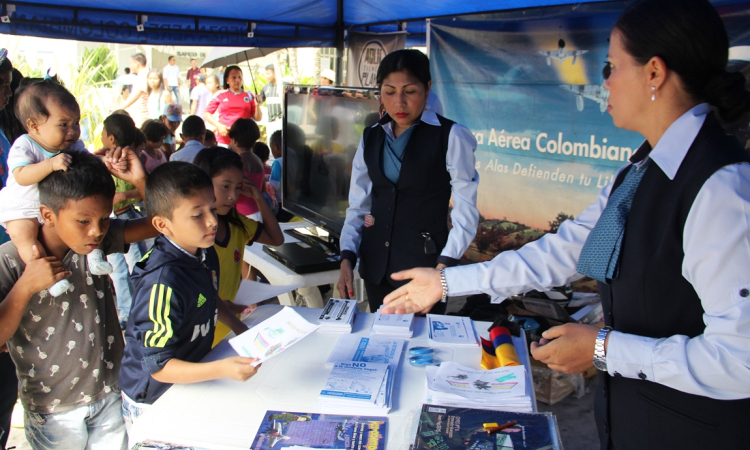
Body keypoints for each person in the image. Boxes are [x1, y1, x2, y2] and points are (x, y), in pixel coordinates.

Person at [382, 1, 750, 448]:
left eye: (612, 67)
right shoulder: (638, 171)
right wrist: (446, 282)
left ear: (654, 73)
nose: (604, 82)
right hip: (633, 421)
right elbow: (564, 250)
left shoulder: (721, 187)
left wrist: (602, 348)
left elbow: (740, 359)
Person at [0, 147, 157, 450]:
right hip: (52, 412)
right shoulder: (11, 262)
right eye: (83, 221)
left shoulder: (97, 244)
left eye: (104, 219)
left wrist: (140, 180)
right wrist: (25, 287)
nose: (96, 231)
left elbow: (161, 222)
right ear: (47, 215)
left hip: (111, 395)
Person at [118, 162, 258, 440]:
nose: (212, 221)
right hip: (154, 400)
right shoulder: (162, 282)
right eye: (197, 215)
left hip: (190, 382)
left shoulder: (203, 251)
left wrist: (244, 331)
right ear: (162, 224)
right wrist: (222, 368)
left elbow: (209, 298)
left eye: (213, 210)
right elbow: (157, 366)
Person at [335, 49, 480, 312]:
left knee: (420, 346)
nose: (399, 103)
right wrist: (347, 256)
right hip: (376, 265)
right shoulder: (371, 136)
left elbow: (466, 211)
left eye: (410, 91)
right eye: (389, 92)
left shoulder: (450, 136)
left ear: (427, 88)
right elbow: (358, 206)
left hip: (425, 270)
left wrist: (443, 268)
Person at [0, 80, 114, 298]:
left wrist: (104, 162)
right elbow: (21, 176)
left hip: (55, 206)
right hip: (22, 207)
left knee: (91, 230)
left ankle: (95, 258)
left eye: (76, 123)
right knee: (27, 241)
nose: (72, 131)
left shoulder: (73, 146)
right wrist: (50, 164)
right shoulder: (25, 145)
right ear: (34, 125)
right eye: (63, 124)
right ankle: (45, 274)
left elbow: (87, 162)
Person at [193, 147, 283, 345]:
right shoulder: (192, 234)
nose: (233, 196)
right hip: (202, 334)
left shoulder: (238, 225)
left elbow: (277, 239)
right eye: (225, 186)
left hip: (230, 333)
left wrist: (259, 197)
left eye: (238, 187)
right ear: (203, 184)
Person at [100, 113, 145, 329]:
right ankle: (127, 311)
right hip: (111, 218)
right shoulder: (102, 160)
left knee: (133, 263)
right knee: (119, 267)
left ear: (110, 138)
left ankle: (136, 307)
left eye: (102, 132)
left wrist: (123, 196)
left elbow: (138, 191)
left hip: (124, 216)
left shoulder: (127, 160)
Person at [204, 65, 262, 147]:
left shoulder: (249, 95)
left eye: (239, 77)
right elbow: (207, 113)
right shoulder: (220, 95)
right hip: (224, 140)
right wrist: (219, 126)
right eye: (233, 77)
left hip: (244, 141)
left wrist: (257, 105)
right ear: (227, 80)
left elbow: (258, 118)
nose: (237, 80)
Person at [227, 118, 265, 221]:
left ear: (234, 140)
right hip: (258, 210)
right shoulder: (258, 160)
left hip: (242, 214)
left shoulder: (237, 162)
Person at [119, 53, 150, 128]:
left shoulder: (143, 74)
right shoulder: (144, 74)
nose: (130, 66)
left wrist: (121, 108)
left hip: (141, 115)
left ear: (137, 64)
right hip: (139, 114)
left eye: (131, 63)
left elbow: (136, 94)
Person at [260, 64, 282, 142]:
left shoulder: (282, 86)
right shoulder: (265, 88)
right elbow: (260, 102)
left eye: (268, 73)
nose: (266, 76)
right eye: (266, 73)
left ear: (275, 73)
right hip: (270, 122)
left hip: (281, 121)